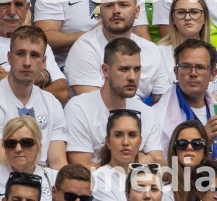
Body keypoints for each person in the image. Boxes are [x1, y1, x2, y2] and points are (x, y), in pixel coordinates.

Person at [64, 37, 165, 165]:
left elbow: (160, 164)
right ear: (105, 70)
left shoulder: (146, 112)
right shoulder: (79, 108)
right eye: (124, 69)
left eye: (137, 69)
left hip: (137, 183)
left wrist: (150, 161)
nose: (132, 77)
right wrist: (129, 163)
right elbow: (81, 170)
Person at [64, 0, 170, 99]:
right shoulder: (84, 48)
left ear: (137, 12)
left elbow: (165, 101)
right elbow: (93, 105)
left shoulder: (152, 50)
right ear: (100, 12)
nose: (116, 11)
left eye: (123, 5)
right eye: (109, 6)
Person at [0, 26, 68, 168]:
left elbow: (58, 162)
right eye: (20, 54)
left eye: (34, 55)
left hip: (46, 182)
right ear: (9, 58)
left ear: (44, 62)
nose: (27, 62)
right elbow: (0, 162)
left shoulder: (52, 103)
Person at [153, 39, 217, 171]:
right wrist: (202, 141)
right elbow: (160, 170)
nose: (193, 73)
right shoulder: (156, 114)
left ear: (213, 74)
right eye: (186, 67)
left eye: (200, 67)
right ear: (176, 72)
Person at [155, 0, 217, 103]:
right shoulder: (158, 52)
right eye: (181, 12)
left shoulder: (215, 54)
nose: (188, 17)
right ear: (173, 19)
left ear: (205, 18)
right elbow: (159, 97)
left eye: (194, 12)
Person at [82, 109, 142, 201]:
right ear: (108, 141)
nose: (125, 142)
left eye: (132, 135)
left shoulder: (150, 179)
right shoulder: (97, 180)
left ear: (140, 141)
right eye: (118, 135)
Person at [0, 116, 56, 201]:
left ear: (39, 147)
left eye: (26, 143)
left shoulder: (54, 178)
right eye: (11, 143)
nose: (18, 149)